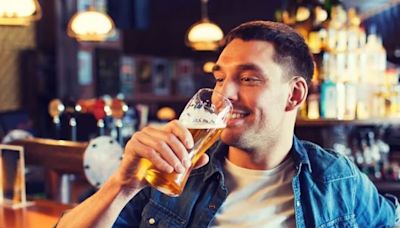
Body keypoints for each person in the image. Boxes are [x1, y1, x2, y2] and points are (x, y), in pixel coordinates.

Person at [57, 21, 399, 227]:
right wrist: (121, 184)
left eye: (248, 78)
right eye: (220, 79)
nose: (224, 95)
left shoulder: (336, 179)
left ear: (294, 96)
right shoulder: (175, 169)